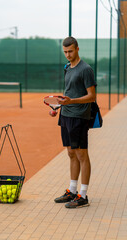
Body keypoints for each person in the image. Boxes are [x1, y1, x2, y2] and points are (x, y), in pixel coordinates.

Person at [54, 37, 97, 208]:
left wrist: (71, 102)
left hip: (79, 116)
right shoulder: (67, 68)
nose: (68, 55)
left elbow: (92, 96)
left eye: (70, 51)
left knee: (81, 155)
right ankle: (72, 191)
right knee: (71, 153)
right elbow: (69, 92)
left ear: (77, 49)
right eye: (65, 52)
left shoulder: (86, 69)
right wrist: (57, 107)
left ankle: (83, 195)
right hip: (66, 115)